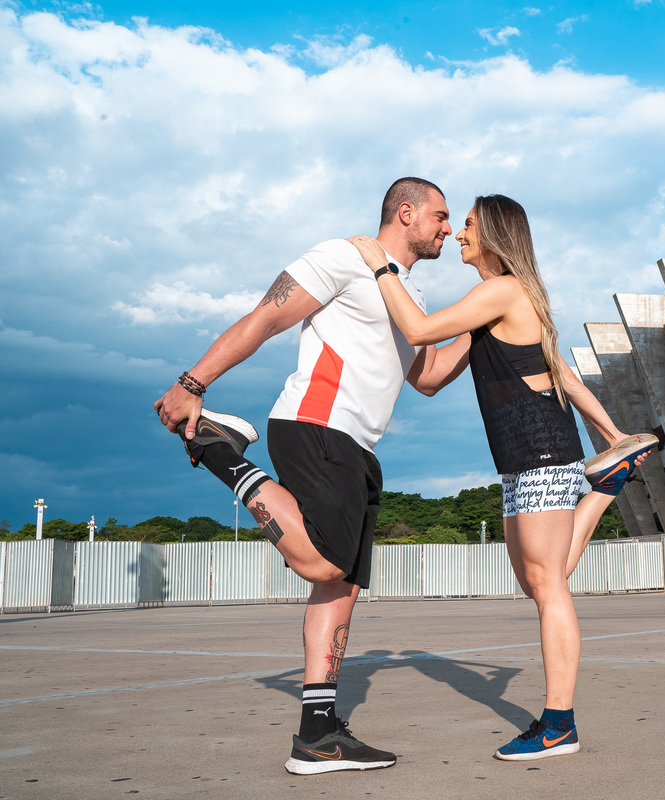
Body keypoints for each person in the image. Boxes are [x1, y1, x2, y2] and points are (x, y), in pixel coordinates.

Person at [154, 177, 465, 775]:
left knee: (339, 585)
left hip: (358, 445)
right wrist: (192, 384)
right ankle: (216, 449)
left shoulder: (410, 296)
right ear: (407, 213)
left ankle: (318, 734)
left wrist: (485, 325)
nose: (448, 229)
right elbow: (266, 319)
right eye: (441, 217)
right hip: (315, 423)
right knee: (321, 562)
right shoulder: (342, 258)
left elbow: (426, 376)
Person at [347, 193, 658, 761]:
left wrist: (380, 267)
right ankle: (605, 486)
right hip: (523, 454)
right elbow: (432, 374)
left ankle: (559, 724)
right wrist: (612, 434)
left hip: (541, 448)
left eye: (465, 225)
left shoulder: (501, 290)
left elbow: (419, 329)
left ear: (491, 234)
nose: (458, 233)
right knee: (540, 578)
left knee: (549, 586)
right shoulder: (497, 305)